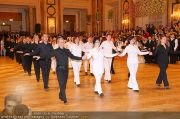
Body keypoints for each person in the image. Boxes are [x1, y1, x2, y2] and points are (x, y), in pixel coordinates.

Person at [52, 37, 86, 104]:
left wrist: (81, 58)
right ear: (58, 43)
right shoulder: (55, 51)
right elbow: (47, 55)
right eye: (60, 42)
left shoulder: (66, 50)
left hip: (65, 70)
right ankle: (65, 99)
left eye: (63, 42)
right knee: (61, 84)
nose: (62, 43)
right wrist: (40, 56)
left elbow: (73, 56)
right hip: (59, 70)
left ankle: (61, 95)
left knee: (63, 85)